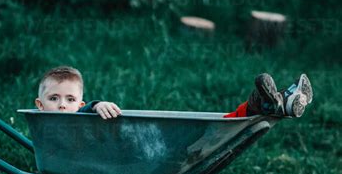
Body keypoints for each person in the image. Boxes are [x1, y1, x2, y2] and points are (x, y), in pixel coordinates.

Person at [34, 66, 312, 119]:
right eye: (53, 99)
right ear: (39, 105)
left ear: (79, 103)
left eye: (70, 99)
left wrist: (97, 105)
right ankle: (273, 104)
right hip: (102, 167)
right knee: (224, 128)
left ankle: (275, 103)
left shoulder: (82, 112)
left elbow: (88, 107)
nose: (62, 106)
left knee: (225, 124)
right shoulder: (48, 125)